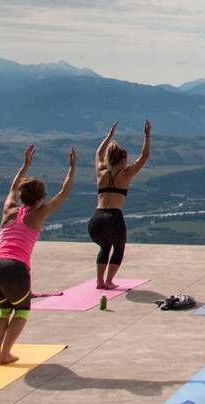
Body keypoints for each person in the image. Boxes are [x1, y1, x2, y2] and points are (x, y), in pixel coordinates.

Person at [0, 145, 75, 365]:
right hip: (14, 269)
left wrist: (25, 164)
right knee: (22, 309)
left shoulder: (9, 209)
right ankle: (6, 352)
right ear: (40, 198)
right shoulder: (40, 213)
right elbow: (64, 193)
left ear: (22, 197)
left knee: (3, 308)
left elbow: (12, 188)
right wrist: (72, 168)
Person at [88, 120, 151, 289]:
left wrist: (109, 136)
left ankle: (99, 281)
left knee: (104, 246)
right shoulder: (126, 174)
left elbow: (98, 153)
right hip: (113, 218)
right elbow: (144, 156)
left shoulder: (101, 172)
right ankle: (108, 281)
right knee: (118, 248)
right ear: (122, 160)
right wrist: (147, 135)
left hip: (96, 219)